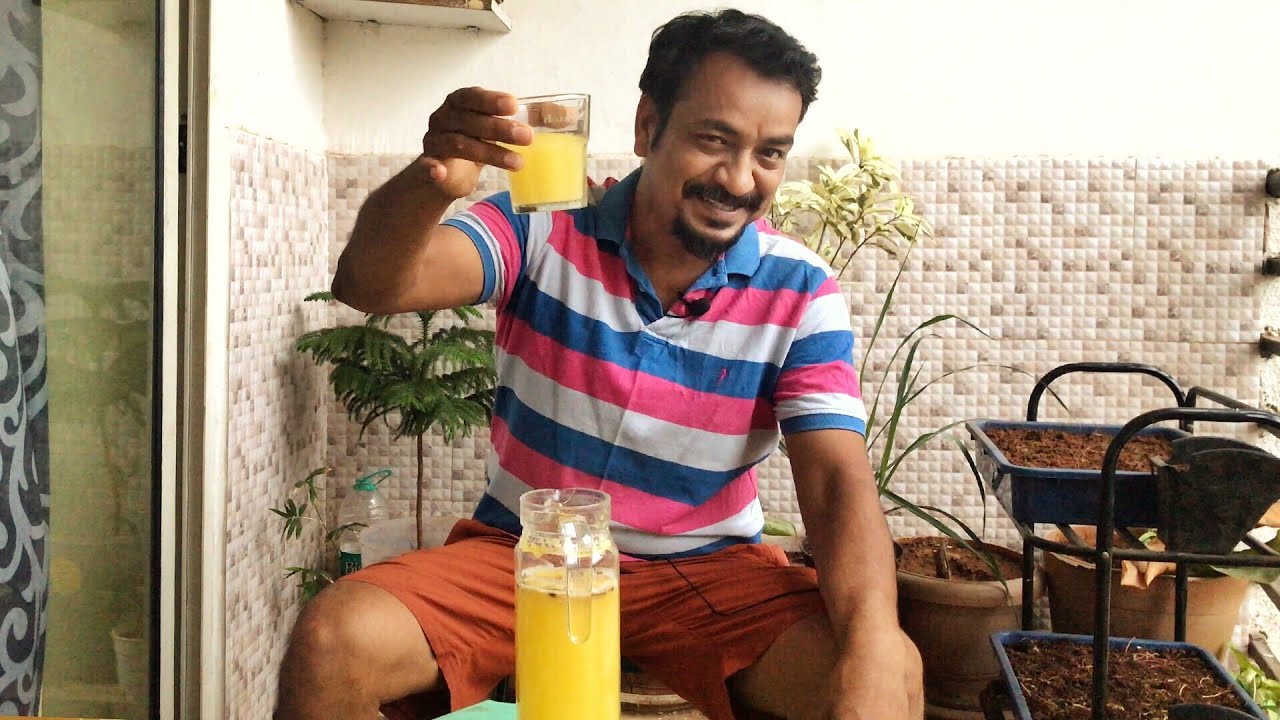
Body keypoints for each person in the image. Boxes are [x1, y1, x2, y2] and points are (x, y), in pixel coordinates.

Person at [276, 8, 922, 720]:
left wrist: (874, 642)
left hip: (709, 569)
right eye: (714, 140)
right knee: (333, 643)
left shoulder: (800, 289)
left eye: (769, 153)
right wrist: (433, 182)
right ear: (648, 127)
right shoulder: (540, 225)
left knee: (883, 670)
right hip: (527, 553)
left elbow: (835, 481)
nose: (739, 178)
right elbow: (370, 285)